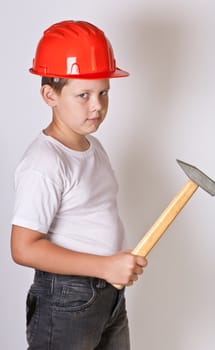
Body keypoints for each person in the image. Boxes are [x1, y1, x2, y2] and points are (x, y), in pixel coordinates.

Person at [10, 20, 147, 350]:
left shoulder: (92, 146)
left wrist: (111, 268)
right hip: (67, 301)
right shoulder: (45, 161)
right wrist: (106, 265)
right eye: (83, 95)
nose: (97, 105)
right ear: (49, 95)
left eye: (103, 93)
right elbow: (23, 247)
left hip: (108, 296)